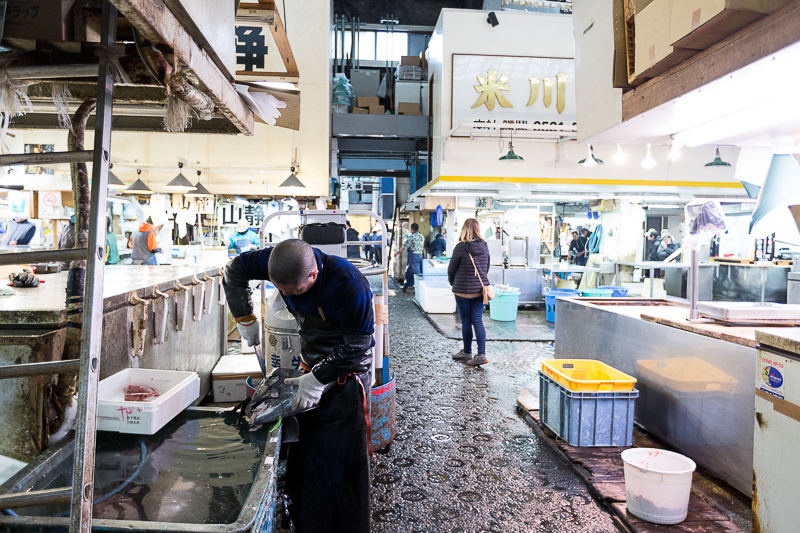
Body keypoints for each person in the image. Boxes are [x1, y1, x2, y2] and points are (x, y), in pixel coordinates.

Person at [223, 239, 374, 532]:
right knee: (307, 452)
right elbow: (234, 269)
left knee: (339, 461)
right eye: (281, 288)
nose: (286, 295)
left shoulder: (348, 284)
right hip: (310, 362)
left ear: (313, 276)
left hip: (347, 377)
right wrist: (244, 317)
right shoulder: (276, 261)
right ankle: (304, 520)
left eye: (293, 290)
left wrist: (318, 380)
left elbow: (358, 345)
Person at [447, 218, 490, 367]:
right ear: (478, 229)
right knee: (477, 320)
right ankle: (481, 354)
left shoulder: (461, 247)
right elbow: (486, 267)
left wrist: (452, 281)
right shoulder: (484, 246)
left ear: (464, 229)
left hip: (462, 291)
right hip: (479, 290)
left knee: (466, 321)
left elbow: (451, 268)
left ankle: (467, 352)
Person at [398, 222, 424, 292]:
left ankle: (417, 287)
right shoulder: (421, 236)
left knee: (416, 272)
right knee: (410, 271)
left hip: (413, 255)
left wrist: (397, 253)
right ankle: (407, 285)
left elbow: (404, 246)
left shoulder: (411, 237)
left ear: (412, 229)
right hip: (420, 255)